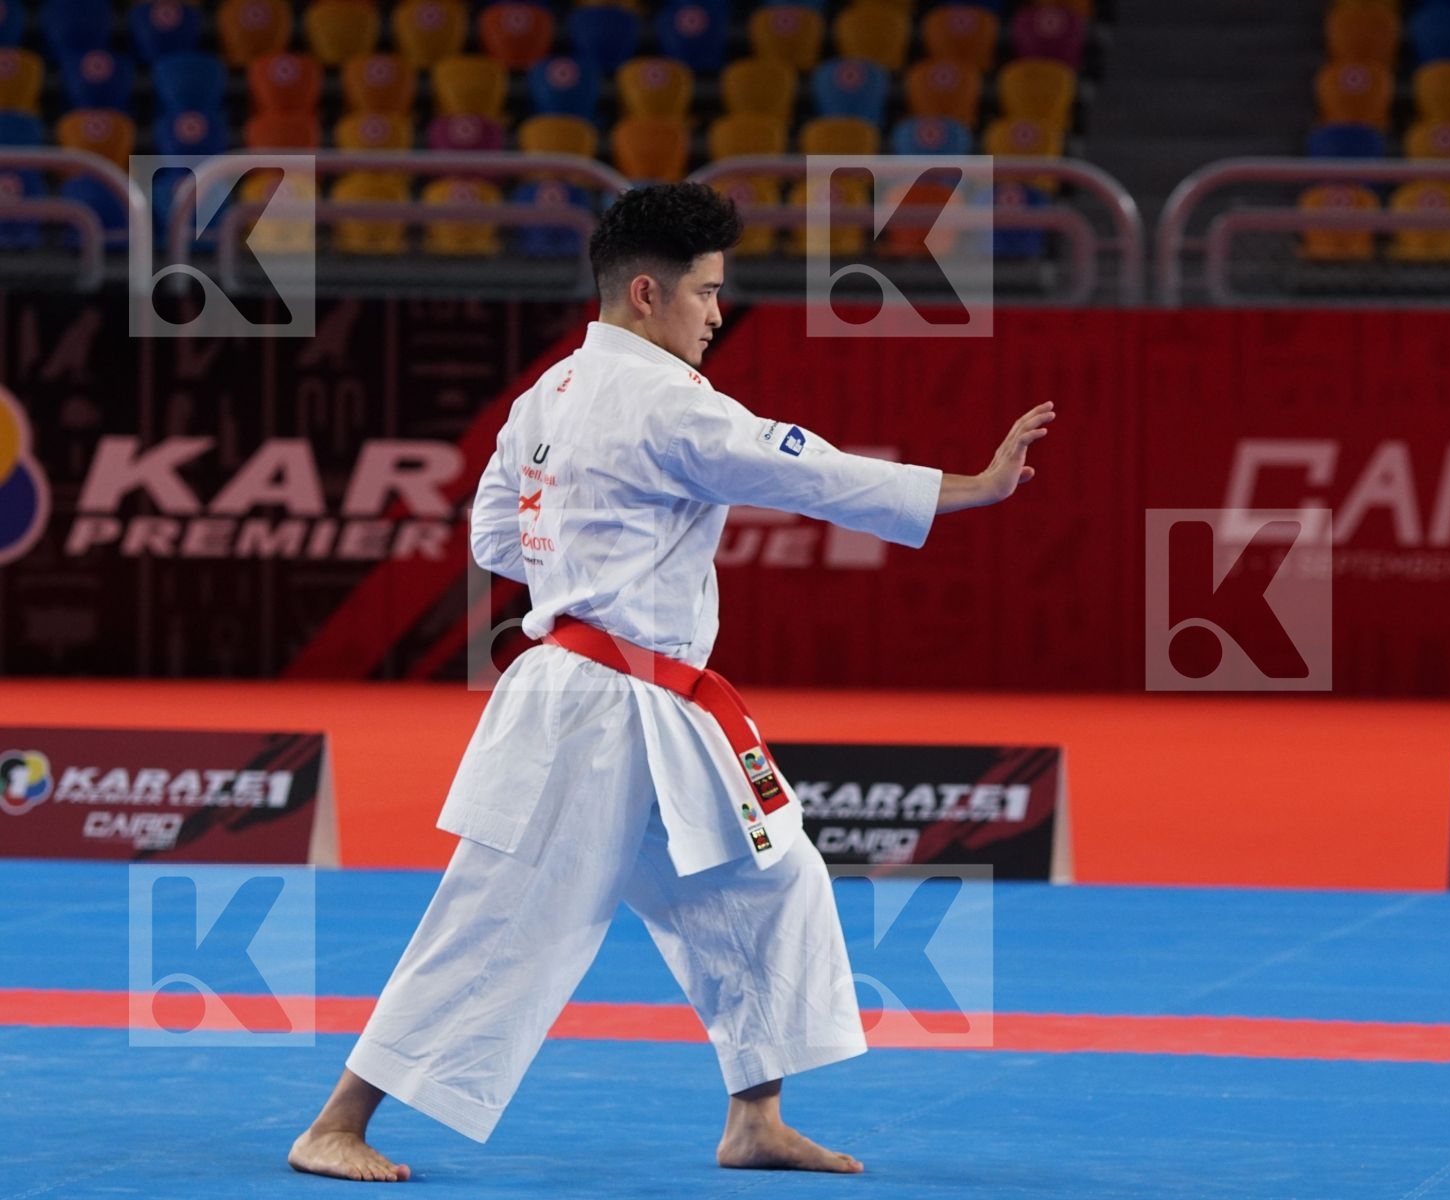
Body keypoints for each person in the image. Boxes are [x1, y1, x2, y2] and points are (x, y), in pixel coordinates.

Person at [288, 182, 1055, 1183]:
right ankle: (338, 1122)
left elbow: (488, 537)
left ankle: (754, 1118)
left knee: (769, 881)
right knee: (505, 915)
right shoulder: (667, 404)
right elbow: (814, 472)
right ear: (646, 293)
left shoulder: (547, 395)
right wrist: (973, 489)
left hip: (649, 703)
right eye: (706, 293)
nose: (718, 314)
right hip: (592, 710)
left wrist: (582, 554)